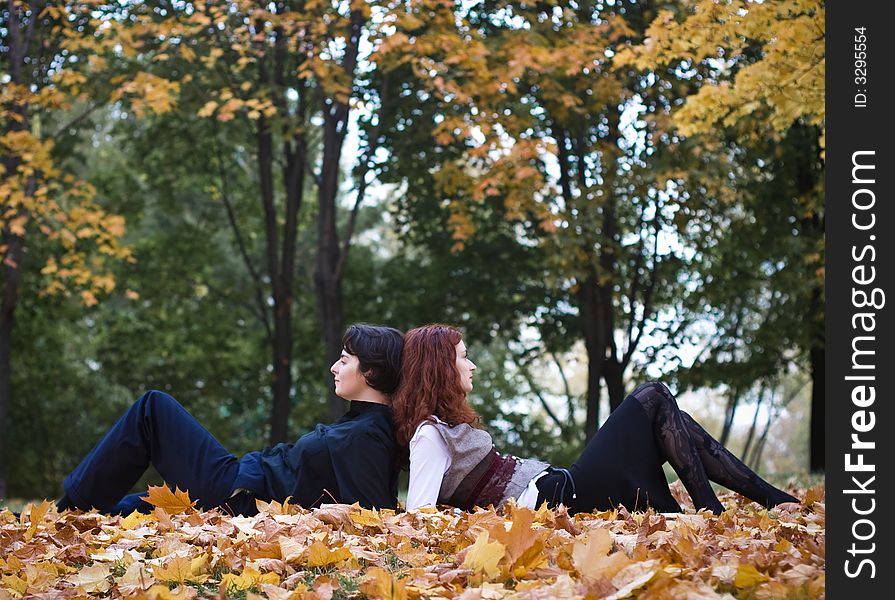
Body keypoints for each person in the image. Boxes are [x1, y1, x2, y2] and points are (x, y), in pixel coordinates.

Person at [393, 324, 799, 515]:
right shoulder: (429, 436)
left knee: (677, 422)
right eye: (464, 357)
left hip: (565, 487)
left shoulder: (443, 427)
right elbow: (419, 514)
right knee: (653, 395)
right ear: (440, 368)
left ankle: (773, 500)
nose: (473, 366)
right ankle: (716, 510)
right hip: (565, 494)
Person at [57, 324, 404, 516]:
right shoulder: (362, 422)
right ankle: (69, 515)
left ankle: (70, 506)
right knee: (128, 508)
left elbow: (374, 515)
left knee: (154, 407)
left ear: (371, 371)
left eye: (344, 361)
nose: (334, 367)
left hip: (235, 495)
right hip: (241, 481)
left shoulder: (368, 435)